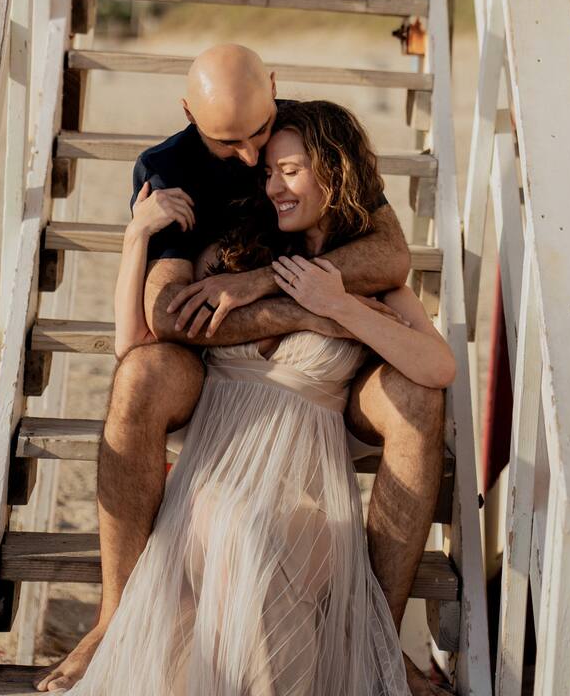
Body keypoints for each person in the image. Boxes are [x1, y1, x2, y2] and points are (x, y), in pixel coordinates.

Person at [38, 46, 446, 694]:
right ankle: (114, 616)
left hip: (321, 395)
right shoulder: (170, 169)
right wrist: (302, 314)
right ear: (188, 114)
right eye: (237, 146)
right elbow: (165, 318)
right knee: (143, 383)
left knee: (418, 401)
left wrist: (283, 292)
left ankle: (374, 639)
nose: (259, 164)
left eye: (272, 148)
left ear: (277, 91)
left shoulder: (314, 137)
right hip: (221, 387)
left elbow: (391, 259)